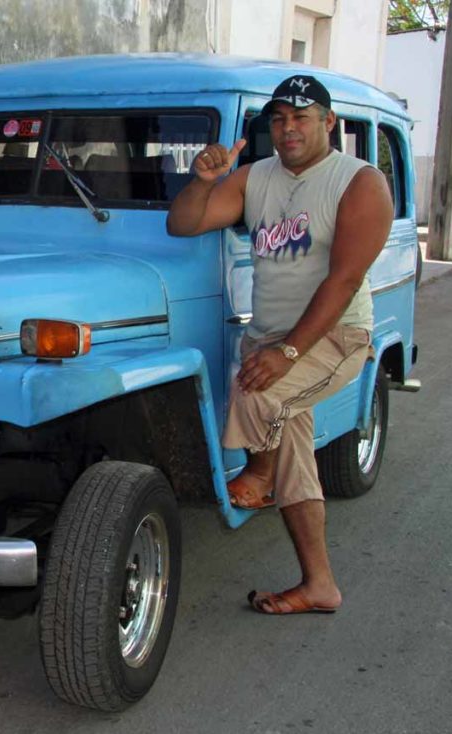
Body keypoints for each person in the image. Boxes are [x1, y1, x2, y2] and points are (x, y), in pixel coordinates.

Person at [166, 75, 394, 615]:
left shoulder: (359, 182)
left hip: (334, 335)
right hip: (269, 336)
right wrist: (202, 182)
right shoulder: (255, 177)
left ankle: (259, 474)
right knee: (294, 456)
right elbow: (183, 224)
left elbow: (342, 281)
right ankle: (319, 584)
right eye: (279, 119)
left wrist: (287, 353)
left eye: (302, 117)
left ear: (328, 123)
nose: (289, 129)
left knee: (256, 394)